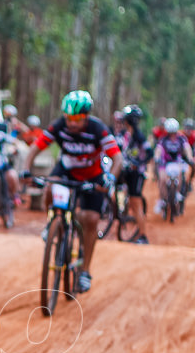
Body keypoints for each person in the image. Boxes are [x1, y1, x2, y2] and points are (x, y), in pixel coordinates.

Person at [22, 90, 122, 293]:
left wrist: (110, 178)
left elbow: (118, 158)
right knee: (51, 185)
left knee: (91, 219)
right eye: (69, 118)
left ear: (86, 116)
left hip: (92, 175)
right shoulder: (59, 126)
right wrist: (25, 169)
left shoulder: (97, 129)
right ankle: (54, 222)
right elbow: (35, 148)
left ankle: (85, 271)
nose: (72, 123)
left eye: (76, 119)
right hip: (67, 170)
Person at [118, 104, 151, 244]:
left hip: (137, 174)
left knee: (136, 203)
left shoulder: (139, 137)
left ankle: (143, 236)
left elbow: (149, 153)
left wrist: (139, 164)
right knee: (127, 198)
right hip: (127, 171)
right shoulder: (126, 135)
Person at [152, 117, 194, 215]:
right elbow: (158, 149)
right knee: (162, 179)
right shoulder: (163, 139)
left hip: (177, 162)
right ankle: (163, 199)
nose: (172, 135)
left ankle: (178, 193)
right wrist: (156, 157)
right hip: (165, 162)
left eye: (174, 132)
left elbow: (187, 147)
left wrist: (190, 157)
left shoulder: (181, 138)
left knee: (180, 175)